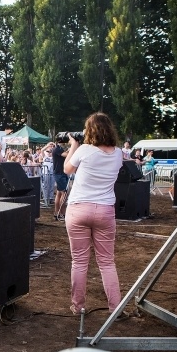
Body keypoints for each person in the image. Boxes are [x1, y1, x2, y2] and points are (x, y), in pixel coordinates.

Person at [63, 113, 126, 319]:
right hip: (105, 210)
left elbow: (67, 169)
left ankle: (78, 306)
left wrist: (73, 144)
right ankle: (115, 308)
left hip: (79, 208)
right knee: (107, 262)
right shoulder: (118, 154)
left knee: (80, 261)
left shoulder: (84, 150)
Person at [52, 138, 69, 221]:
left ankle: (57, 213)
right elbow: (66, 155)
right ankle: (61, 213)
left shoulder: (60, 149)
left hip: (61, 173)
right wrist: (73, 147)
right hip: (59, 174)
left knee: (59, 194)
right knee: (64, 194)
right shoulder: (57, 149)